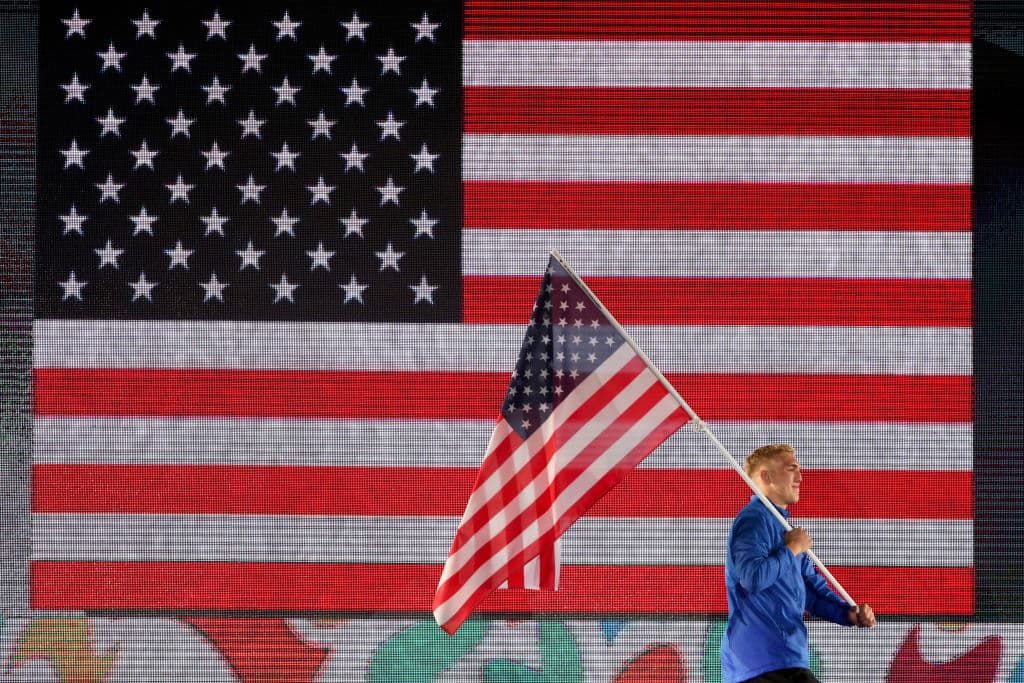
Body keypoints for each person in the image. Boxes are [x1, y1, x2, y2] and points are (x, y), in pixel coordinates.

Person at [720, 444, 876, 683]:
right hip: (760, 663)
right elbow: (753, 578)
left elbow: (812, 594)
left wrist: (848, 614)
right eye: (791, 469)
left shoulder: (787, 531)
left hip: (785, 660)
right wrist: (792, 549)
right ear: (766, 476)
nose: (800, 477)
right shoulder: (754, 520)